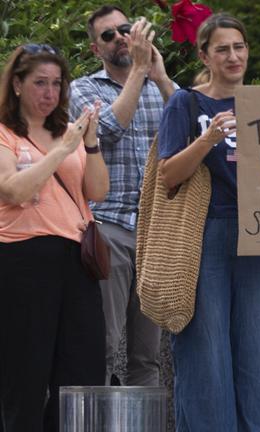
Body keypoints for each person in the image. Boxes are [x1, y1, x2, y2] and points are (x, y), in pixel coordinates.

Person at [156, 14, 260, 430]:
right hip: (205, 233)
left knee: (258, 358)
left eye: (239, 47)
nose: (233, 56)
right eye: (222, 49)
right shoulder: (186, 103)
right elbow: (169, 175)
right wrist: (207, 139)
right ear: (204, 56)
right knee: (205, 356)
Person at [0, 43, 109, 431]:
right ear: (17, 85)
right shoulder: (5, 134)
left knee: (83, 369)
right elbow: (13, 190)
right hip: (24, 258)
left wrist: (89, 143)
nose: (50, 93)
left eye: (57, 83)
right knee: (25, 372)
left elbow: (98, 191)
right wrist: (61, 150)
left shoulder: (68, 133)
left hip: (76, 258)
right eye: (40, 83)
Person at [69, 4, 175, 386]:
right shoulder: (83, 88)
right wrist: (138, 72)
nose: (120, 38)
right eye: (108, 35)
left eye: (125, 29)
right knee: (104, 344)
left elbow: (195, 132)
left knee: (148, 356)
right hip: (108, 227)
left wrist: (161, 77)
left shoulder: (158, 85)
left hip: (156, 232)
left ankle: (142, 419)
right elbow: (107, 130)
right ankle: (95, 416)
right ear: (95, 49)